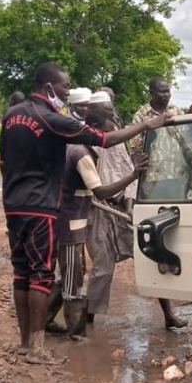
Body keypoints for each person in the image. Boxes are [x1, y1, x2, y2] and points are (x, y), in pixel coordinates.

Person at [0, 62, 173, 364]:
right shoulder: (53, 119)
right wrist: (147, 126)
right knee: (41, 276)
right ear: (50, 87)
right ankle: (36, 350)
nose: (67, 92)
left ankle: (25, 343)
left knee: (21, 274)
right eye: (65, 86)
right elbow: (105, 140)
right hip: (42, 207)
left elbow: (3, 160)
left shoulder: (12, 116)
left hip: (13, 204)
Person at [84, 91, 188, 329]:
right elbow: (102, 188)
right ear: (96, 117)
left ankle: (168, 313)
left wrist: (130, 205)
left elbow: (129, 177)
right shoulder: (89, 143)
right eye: (108, 112)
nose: (114, 116)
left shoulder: (117, 139)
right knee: (102, 268)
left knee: (151, 256)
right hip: (100, 209)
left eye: (113, 111)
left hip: (123, 207)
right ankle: (87, 318)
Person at [45, 104, 149, 337]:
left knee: (70, 272)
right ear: (92, 130)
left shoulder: (73, 148)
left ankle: (46, 320)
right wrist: (133, 175)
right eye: (105, 136)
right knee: (73, 275)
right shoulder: (80, 154)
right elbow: (100, 192)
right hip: (72, 220)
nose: (108, 140)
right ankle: (76, 333)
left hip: (69, 217)